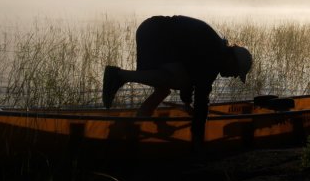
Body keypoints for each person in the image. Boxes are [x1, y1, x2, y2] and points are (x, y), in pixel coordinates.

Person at [102, 15, 253, 145]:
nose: (233, 76)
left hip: (151, 30)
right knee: (177, 81)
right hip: (155, 33)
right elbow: (201, 100)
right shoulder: (213, 57)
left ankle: (140, 121)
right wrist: (198, 139)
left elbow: (192, 72)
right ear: (231, 60)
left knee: (163, 88)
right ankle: (119, 75)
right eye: (235, 72)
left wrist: (186, 102)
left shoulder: (215, 50)